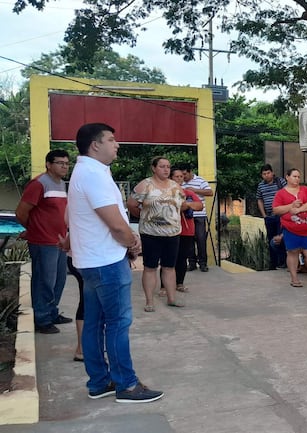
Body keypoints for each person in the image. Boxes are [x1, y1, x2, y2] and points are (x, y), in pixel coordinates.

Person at [68, 122, 163, 403]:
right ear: (95, 145)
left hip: (92, 259)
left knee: (96, 323)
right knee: (118, 324)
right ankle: (127, 385)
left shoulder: (86, 172)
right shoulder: (93, 175)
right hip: (106, 261)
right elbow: (116, 224)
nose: (116, 144)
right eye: (111, 139)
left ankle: (100, 382)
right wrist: (133, 242)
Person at [15, 149, 72, 334]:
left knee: (59, 280)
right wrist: (32, 230)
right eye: (60, 163)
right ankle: (41, 318)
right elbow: (21, 212)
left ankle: (52, 312)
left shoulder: (62, 184)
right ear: (49, 164)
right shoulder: (39, 184)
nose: (64, 166)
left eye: (66, 163)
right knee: (44, 280)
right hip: (42, 241)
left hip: (59, 241)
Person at [127, 157, 185, 312]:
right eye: (162, 166)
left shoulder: (175, 186)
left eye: (168, 167)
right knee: (150, 267)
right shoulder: (145, 185)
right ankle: (149, 301)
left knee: (169, 267)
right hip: (151, 234)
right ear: (154, 168)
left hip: (172, 233)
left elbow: (182, 205)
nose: (166, 170)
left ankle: (171, 298)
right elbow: (132, 204)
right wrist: (143, 216)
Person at [272, 168, 307, 287]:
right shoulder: (281, 193)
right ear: (287, 177)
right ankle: (294, 279)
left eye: (298, 177)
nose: (297, 179)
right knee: (293, 252)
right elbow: (276, 209)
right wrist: (290, 206)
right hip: (291, 228)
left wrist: (298, 210)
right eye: (294, 176)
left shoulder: (305, 190)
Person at [172, 168, 203, 293]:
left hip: (186, 230)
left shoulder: (187, 193)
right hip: (170, 230)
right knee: (169, 258)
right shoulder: (166, 193)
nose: (180, 179)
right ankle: (164, 285)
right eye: (176, 177)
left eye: (181, 176)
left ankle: (179, 283)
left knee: (182, 257)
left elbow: (199, 205)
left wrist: (187, 205)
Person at [180, 163, 213, 272]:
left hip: (199, 215)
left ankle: (203, 263)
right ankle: (192, 263)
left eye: (185, 174)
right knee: (188, 240)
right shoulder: (180, 183)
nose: (183, 177)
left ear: (190, 172)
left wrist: (194, 190)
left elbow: (210, 192)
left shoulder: (200, 180)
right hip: (186, 216)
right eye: (181, 175)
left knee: (201, 239)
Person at [257, 164, 288, 269]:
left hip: (281, 216)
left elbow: (287, 194)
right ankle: (273, 264)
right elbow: (259, 199)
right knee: (271, 240)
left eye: (268, 173)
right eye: (264, 174)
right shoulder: (261, 186)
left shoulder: (281, 182)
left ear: (272, 172)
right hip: (269, 217)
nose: (267, 175)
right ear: (262, 175)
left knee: (281, 239)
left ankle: (283, 262)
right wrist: (264, 215)